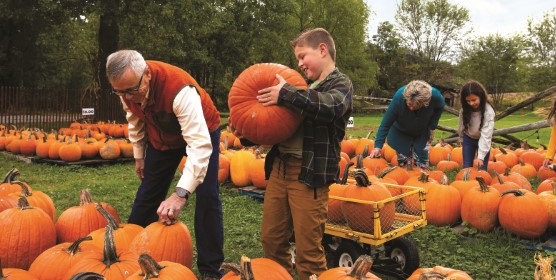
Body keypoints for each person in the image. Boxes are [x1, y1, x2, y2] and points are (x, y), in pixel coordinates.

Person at [235, 28, 353, 280]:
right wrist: (245, 131)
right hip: (280, 169)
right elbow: (275, 127)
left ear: (322, 50)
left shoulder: (339, 84)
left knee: (308, 251)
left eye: (302, 56)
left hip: (309, 175)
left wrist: (286, 93)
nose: (299, 64)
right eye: (297, 59)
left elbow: (330, 106)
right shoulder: (303, 88)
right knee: (272, 240)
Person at [106, 50, 224, 280]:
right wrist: (139, 155)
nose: (127, 97)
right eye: (120, 91)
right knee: (148, 192)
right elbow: (134, 118)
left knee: (207, 194)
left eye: (132, 90)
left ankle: (210, 269)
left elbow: (199, 145)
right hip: (163, 137)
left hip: (201, 131)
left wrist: (180, 194)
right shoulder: (128, 87)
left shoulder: (180, 90)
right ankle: (130, 256)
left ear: (147, 74)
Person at [369, 80, 445, 168]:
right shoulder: (398, 98)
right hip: (400, 131)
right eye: (409, 104)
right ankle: (405, 177)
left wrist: (432, 127)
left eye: (416, 106)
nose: (411, 108)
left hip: (422, 131)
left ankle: (421, 175)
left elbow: (440, 107)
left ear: (425, 102)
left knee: (422, 163)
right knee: (404, 163)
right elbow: (386, 124)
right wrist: (378, 146)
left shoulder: (435, 96)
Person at [457, 80, 495, 171]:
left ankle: (480, 184)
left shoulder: (488, 112)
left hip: (483, 139)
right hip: (468, 138)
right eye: (468, 101)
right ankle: (467, 184)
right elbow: (461, 125)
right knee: (467, 166)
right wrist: (461, 137)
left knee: (481, 168)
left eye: (474, 100)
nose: (471, 103)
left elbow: (486, 135)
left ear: (481, 97)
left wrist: (481, 157)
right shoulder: (464, 110)